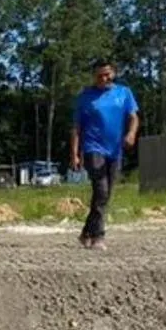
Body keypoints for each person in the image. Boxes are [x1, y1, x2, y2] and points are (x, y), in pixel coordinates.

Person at [70, 59, 140, 250]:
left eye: (107, 74)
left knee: (106, 194)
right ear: (94, 76)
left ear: (114, 74)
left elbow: (133, 117)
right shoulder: (86, 97)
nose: (103, 78)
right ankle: (98, 236)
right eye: (99, 75)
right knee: (101, 190)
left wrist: (131, 134)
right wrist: (74, 154)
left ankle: (86, 232)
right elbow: (76, 127)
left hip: (115, 150)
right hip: (92, 147)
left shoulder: (124, 93)